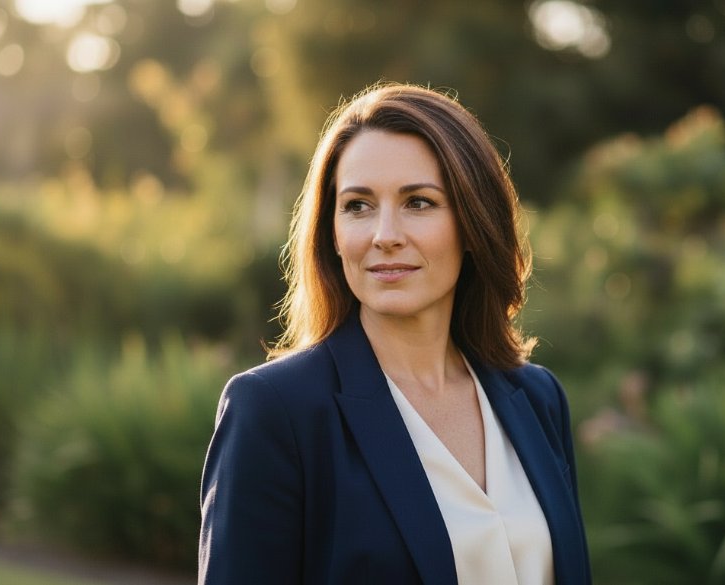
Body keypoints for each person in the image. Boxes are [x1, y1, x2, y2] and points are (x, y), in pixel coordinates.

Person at [198, 82, 591, 585]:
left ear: (473, 224)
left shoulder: (537, 398)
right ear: (332, 233)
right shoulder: (276, 411)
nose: (384, 235)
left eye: (419, 202)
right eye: (358, 205)